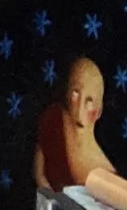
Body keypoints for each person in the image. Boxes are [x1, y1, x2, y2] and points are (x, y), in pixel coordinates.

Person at [35, 56, 118, 188]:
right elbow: (39, 174)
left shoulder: (105, 173)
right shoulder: (53, 118)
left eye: (89, 100)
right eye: (75, 93)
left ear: (98, 110)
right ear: (67, 92)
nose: (80, 107)